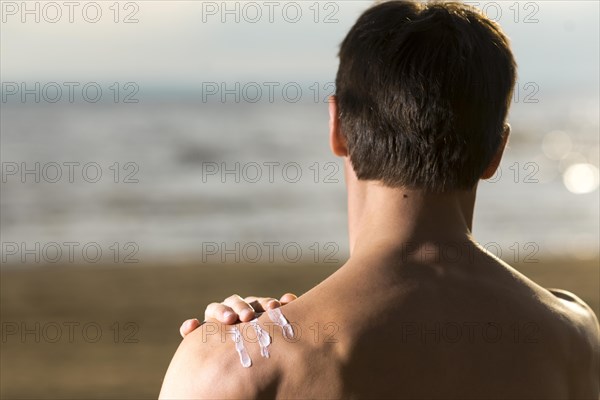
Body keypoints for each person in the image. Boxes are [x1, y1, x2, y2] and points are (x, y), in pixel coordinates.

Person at [159, 1, 600, 398]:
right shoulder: (573, 338)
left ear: (337, 128)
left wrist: (231, 349)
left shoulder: (237, 366)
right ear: (496, 152)